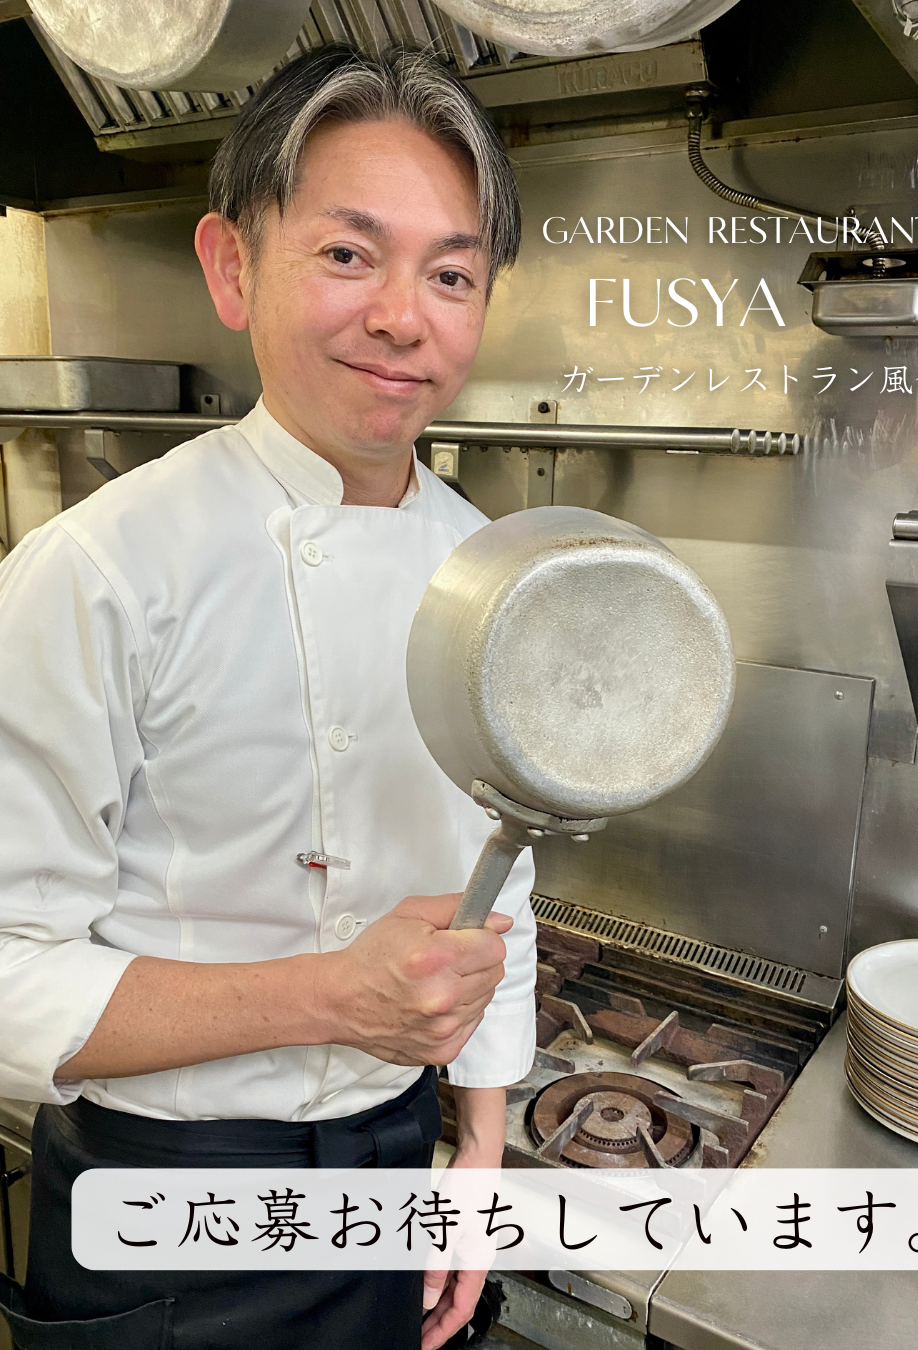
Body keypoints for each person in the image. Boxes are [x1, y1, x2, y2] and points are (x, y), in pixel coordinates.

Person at [0, 44, 536, 1350]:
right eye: (349, 254)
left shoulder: (493, 575)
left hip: (393, 1157)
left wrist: (478, 1147)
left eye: (452, 273)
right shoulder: (98, 571)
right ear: (233, 267)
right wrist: (332, 996)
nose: (404, 317)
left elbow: (504, 873)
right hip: (163, 1192)